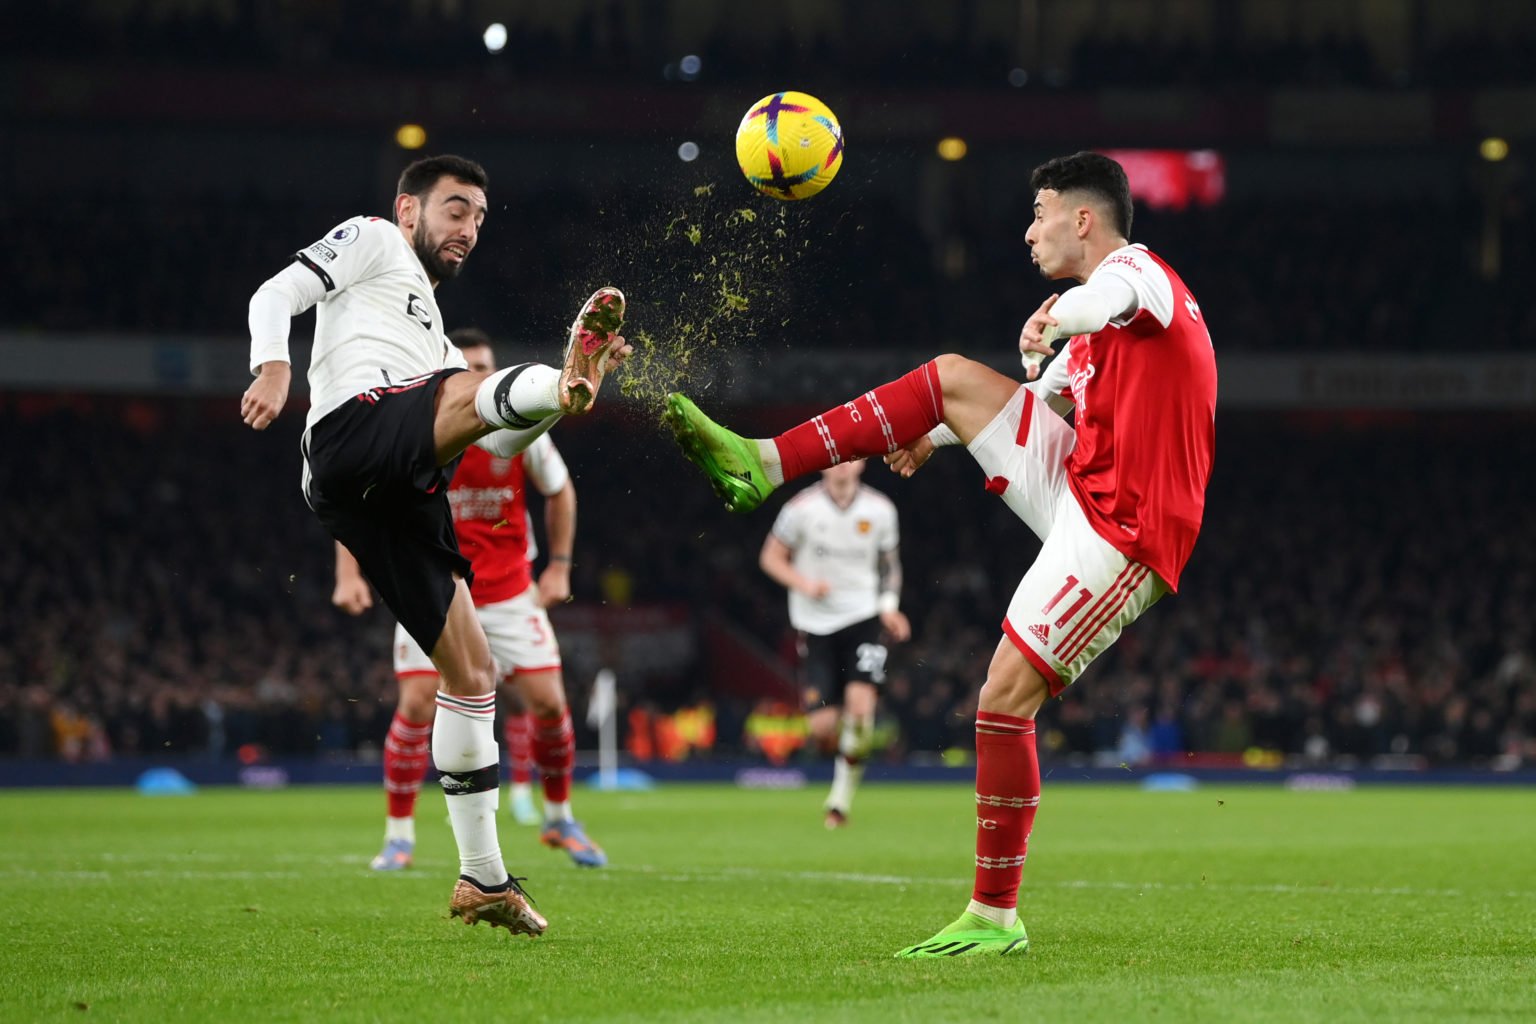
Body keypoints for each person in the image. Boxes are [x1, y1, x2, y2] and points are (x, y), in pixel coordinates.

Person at [664, 151, 1216, 958]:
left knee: (1001, 699)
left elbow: (1111, 297)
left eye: (1040, 214)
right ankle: (766, 462)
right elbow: (1036, 401)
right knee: (953, 378)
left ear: (1083, 220)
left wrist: (1058, 314)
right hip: (1079, 481)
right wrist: (932, 429)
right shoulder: (1097, 332)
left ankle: (995, 916)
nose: (1030, 233)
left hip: (1126, 530)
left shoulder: (1140, 276)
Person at [241, 154, 630, 937]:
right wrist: (274, 363)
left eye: (480, 218)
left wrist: (564, 399)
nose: (469, 229)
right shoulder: (377, 239)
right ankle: (565, 368)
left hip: (396, 488)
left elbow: (502, 431)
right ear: (411, 210)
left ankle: (482, 878)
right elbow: (274, 292)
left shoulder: (440, 346)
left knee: (472, 668)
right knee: (463, 392)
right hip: (353, 430)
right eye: (456, 209)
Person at [333, 328, 608, 872]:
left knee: (551, 703)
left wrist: (557, 567)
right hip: (432, 583)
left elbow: (561, 490)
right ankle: (398, 836)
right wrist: (348, 572)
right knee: (415, 708)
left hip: (507, 587)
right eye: (469, 367)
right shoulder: (418, 426)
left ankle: (559, 819)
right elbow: (356, 494)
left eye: (488, 366)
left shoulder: (520, 425)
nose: (481, 376)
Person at [759, 460, 910, 829]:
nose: (843, 465)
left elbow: (890, 566)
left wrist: (889, 608)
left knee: (860, 710)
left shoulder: (880, 509)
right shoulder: (800, 510)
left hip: (864, 617)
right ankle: (855, 726)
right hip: (816, 624)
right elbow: (770, 557)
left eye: (851, 457)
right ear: (823, 464)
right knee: (821, 726)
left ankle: (839, 800)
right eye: (835, 458)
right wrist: (804, 583)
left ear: (862, 462)